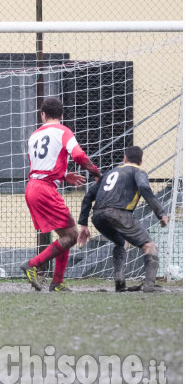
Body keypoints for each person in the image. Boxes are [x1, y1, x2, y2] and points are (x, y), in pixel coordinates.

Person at [21, 97, 101, 292]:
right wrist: (97, 173)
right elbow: (79, 155)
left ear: (43, 115)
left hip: (32, 187)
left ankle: (57, 283)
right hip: (45, 189)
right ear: (62, 115)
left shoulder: (34, 136)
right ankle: (33, 264)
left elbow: (41, 166)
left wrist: (64, 176)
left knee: (64, 235)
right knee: (73, 235)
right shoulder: (64, 131)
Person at [77, 146, 168, 293]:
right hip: (119, 214)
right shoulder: (138, 171)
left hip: (98, 216)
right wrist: (161, 213)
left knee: (121, 242)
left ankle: (119, 283)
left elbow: (88, 196)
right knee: (149, 247)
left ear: (124, 158)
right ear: (141, 161)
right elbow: (144, 188)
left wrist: (83, 224)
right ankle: (149, 286)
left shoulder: (108, 173)